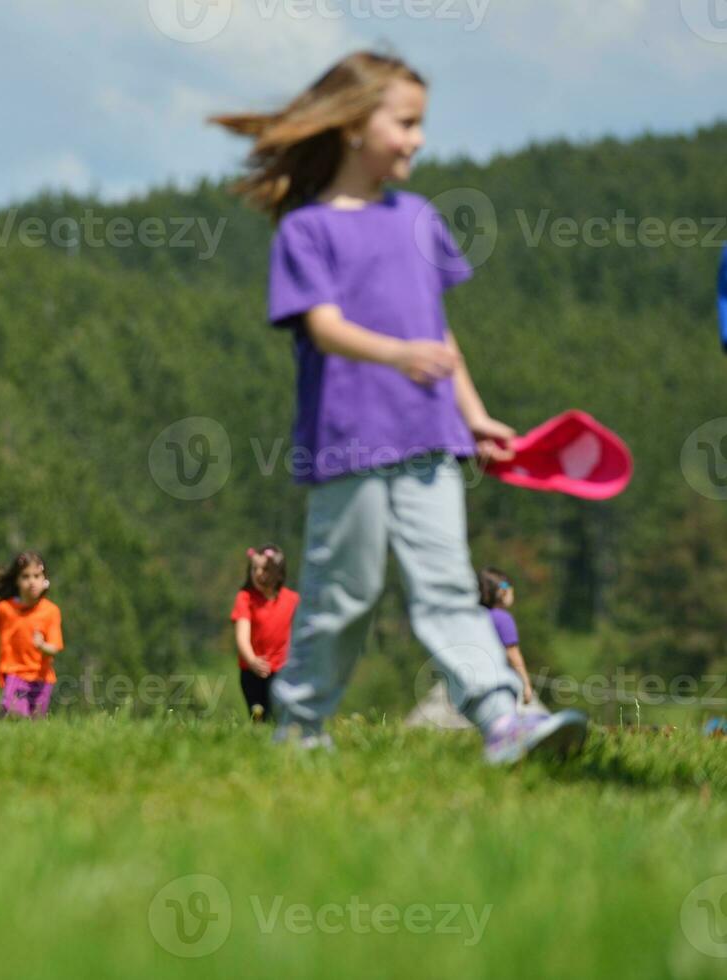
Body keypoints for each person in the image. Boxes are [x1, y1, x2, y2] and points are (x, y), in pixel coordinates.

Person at [211, 50, 586, 763]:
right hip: (347, 443)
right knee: (341, 598)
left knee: (447, 588)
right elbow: (321, 325)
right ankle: (297, 729)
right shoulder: (306, 230)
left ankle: (503, 720)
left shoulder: (417, 218)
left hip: (429, 439)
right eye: (405, 123)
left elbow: (439, 331)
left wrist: (473, 415)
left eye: (421, 125)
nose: (417, 139)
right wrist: (397, 355)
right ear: (353, 126)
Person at [0, 549, 64, 719]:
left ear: (45, 580)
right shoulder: (5, 609)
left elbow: (55, 648)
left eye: (37, 576)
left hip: (42, 678)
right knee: (15, 715)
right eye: (25, 577)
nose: (32, 582)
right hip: (14, 674)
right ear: (17, 581)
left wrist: (42, 646)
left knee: (36, 726)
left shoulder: (51, 611)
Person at [231, 545, 300, 723]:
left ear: (279, 573)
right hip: (252, 671)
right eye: (255, 569)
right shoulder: (245, 598)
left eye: (266, 569)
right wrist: (252, 660)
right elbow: (242, 635)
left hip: (282, 671)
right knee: (259, 719)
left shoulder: (292, 600)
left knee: (281, 718)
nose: (259, 573)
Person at [477, 568, 537, 705]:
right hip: (498, 682)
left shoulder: (477, 617)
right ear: (502, 592)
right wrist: (526, 684)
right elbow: (512, 653)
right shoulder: (503, 619)